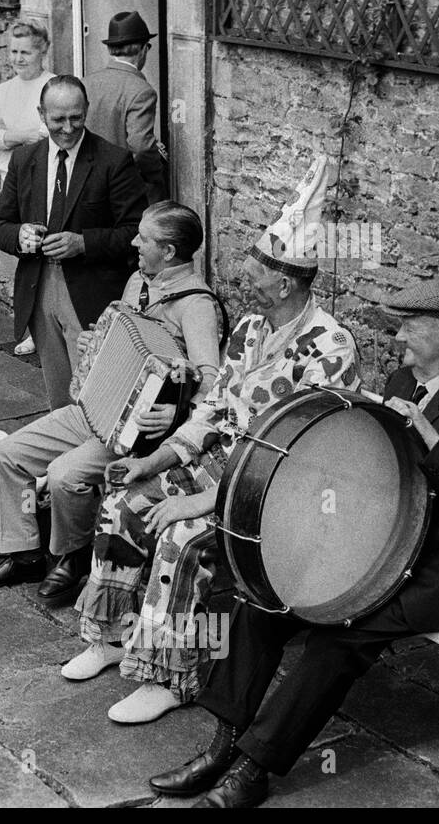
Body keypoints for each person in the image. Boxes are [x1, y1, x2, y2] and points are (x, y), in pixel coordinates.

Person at [153, 278, 439, 808]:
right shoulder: (403, 377)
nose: (398, 336)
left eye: (409, 327)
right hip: (376, 544)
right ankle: (223, 743)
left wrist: (429, 436)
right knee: (264, 602)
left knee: (337, 641)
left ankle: (255, 769)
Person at [77, 155, 360, 724]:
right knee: (122, 503)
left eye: (255, 272)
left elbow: (303, 458)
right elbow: (213, 410)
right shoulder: (254, 330)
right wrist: (154, 460)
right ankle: (110, 635)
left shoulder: (331, 349)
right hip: (223, 465)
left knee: (181, 534)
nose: (242, 279)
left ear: (284, 281)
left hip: (273, 492)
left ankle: (169, 675)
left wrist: (202, 501)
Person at [0, 201, 222, 599]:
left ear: (169, 251)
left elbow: (212, 382)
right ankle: (24, 556)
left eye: (145, 237)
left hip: (140, 434)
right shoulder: (139, 281)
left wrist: (177, 410)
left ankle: (73, 557)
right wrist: (95, 343)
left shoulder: (197, 305)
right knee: (7, 453)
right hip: (97, 410)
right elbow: (118, 335)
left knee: (65, 474)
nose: (135, 241)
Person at [0, 75, 146, 411]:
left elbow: (136, 232)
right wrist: (19, 236)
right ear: (41, 114)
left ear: (86, 110)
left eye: (76, 117)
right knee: (58, 393)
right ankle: (62, 455)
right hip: (39, 287)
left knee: (96, 393)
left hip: (91, 292)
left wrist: (83, 243)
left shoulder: (113, 161)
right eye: (58, 119)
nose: (68, 128)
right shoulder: (24, 160)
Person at [0, 19, 54, 358]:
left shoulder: (52, 86)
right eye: (13, 51)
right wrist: (20, 136)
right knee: (16, 252)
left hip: (41, 179)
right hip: (6, 178)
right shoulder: (3, 91)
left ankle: (47, 329)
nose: (18, 58)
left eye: (26, 51)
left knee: (40, 251)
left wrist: (11, 136)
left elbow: (45, 136)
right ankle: (27, 328)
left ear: (42, 51)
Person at [82, 11, 168, 203]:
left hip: (88, 186)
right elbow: (141, 147)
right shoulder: (142, 91)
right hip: (125, 190)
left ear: (110, 50)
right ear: (144, 49)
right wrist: (157, 175)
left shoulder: (86, 83)